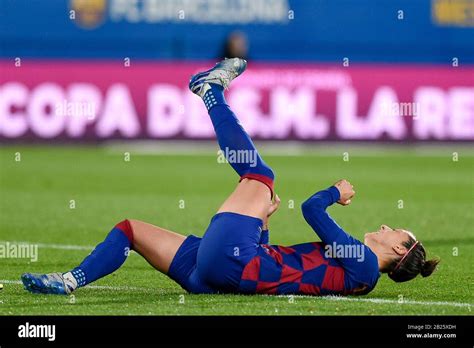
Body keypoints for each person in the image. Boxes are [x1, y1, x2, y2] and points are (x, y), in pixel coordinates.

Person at [21, 58, 439, 296]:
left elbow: (312, 208)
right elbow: (286, 270)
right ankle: (69, 280)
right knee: (130, 229)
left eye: (393, 230)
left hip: (233, 265)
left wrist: (337, 191)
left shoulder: (365, 263)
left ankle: (210, 90)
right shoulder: (358, 273)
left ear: (399, 250)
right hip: (219, 274)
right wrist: (265, 226)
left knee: (261, 174)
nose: (385, 226)